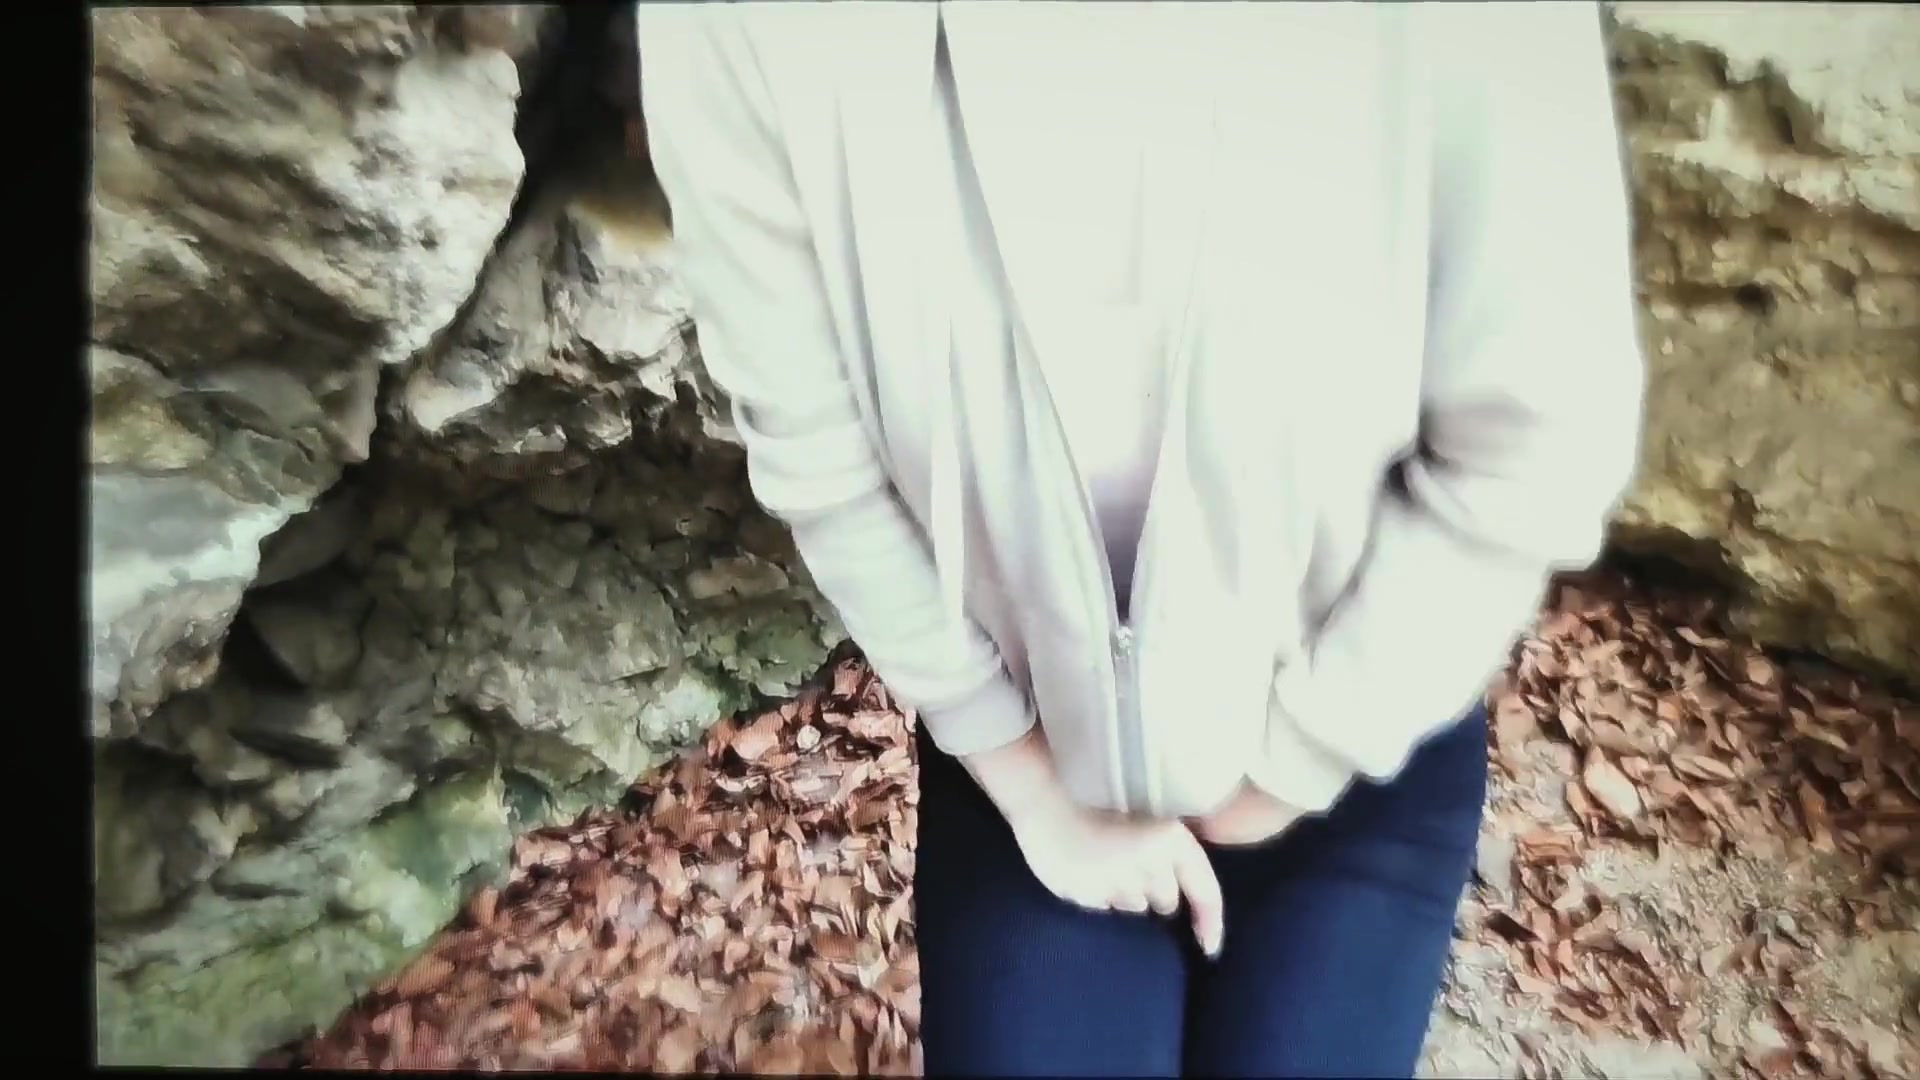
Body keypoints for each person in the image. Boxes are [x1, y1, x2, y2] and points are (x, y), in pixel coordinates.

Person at [637, 2, 1644, 1075]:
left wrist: (1299, 760)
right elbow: (825, 465)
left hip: (1351, 767)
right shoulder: (741, 24)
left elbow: (1536, 438)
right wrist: (1025, 779)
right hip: (1032, 758)